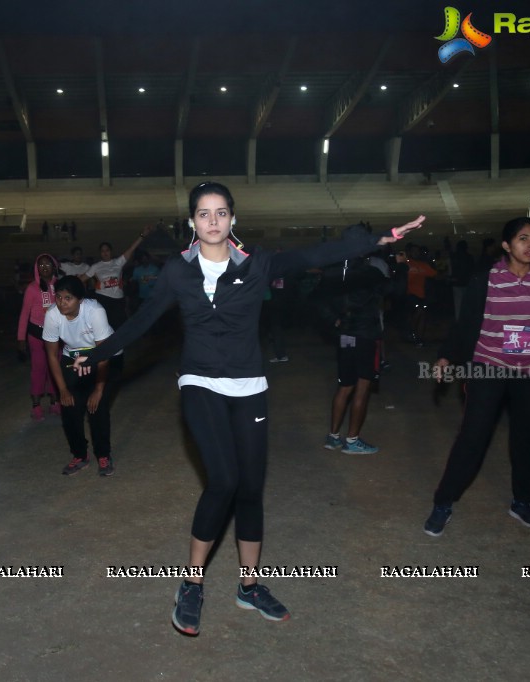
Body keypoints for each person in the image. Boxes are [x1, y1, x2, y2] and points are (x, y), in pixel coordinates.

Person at [73, 182, 424, 636]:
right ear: (192, 223)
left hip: (249, 385)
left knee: (251, 488)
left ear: (233, 219)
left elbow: (312, 256)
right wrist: (98, 354)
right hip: (200, 381)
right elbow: (142, 320)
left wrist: (376, 239)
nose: (213, 221)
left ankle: (249, 584)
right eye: (204, 214)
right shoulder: (177, 272)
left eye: (221, 213)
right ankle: (192, 583)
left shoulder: (257, 263)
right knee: (224, 479)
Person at [423, 217, 530, 538]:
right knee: (473, 437)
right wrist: (446, 356)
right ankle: (443, 503)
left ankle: (522, 502)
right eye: (522, 239)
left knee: (525, 440)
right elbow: (466, 323)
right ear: (507, 245)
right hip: (488, 367)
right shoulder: (487, 279)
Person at [43, 276, 118, 476]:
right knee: (70, 409)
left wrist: (98, 389)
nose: (62, 303)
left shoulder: (95, 312)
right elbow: (51, 355)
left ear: (80, 299)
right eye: (58, 297)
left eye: (68, 298)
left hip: (103, 357)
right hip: (73, 357)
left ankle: (103, 454)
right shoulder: (52, 315)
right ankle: (80, 455)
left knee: (97, 408)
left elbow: (104, 354)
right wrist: (63, 390)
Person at [321, 253, 389, 455]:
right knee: (362, 387)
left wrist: (334, 319)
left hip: (345, 337)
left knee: (344, 386)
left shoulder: (336, 274)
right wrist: (400, 268)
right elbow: (395, 289)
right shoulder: (371, 273)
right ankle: (352, 440)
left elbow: (318, 300)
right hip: (366, 336)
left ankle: (333, 437)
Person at [17, 253, 61, 419]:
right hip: (36, 334)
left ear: (54, 266)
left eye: (47, 264)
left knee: (55, 368)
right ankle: (36, 405)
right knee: (39, 367)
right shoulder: (32, 288)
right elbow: (24, 314)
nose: (44, 267)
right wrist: (21, 338)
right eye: (40, 265)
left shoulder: (60, 286)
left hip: (56, 335)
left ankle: (55, 402)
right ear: (37, 268)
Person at [80, 228, 151, 331]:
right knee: (105, 326)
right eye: (102, 251)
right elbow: (81, 279)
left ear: (111, 251)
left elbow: (131, 249)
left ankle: (120, 346)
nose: (105, 253)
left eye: (107, 250)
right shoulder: (96, 266)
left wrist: (142, 236)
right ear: (100, 253)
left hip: (118, 299)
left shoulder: (118, 262)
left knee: (119, 325)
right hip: (103, 298)